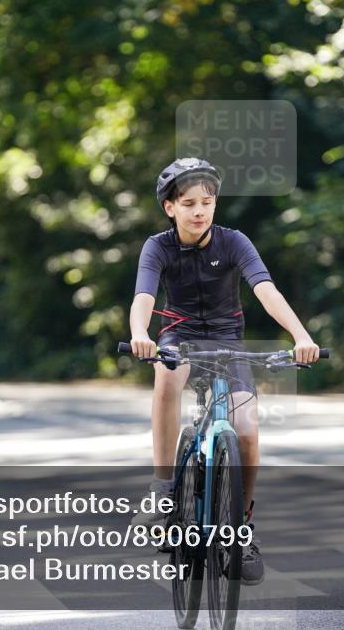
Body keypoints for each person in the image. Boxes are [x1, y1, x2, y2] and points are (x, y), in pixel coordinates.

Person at [128, 157, 320, 586]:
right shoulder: (157, 247)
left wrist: (300, 336)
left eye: (208, 202)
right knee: (166, 378)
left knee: (247, 427)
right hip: (178, 336)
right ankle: (163, 489)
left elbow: (265, 290)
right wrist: (141, 332)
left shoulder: (234, 242)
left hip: (228, 340)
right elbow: (144, 294)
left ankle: (241, 527)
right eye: (190, 203)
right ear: (170, 208)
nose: (200, 211)